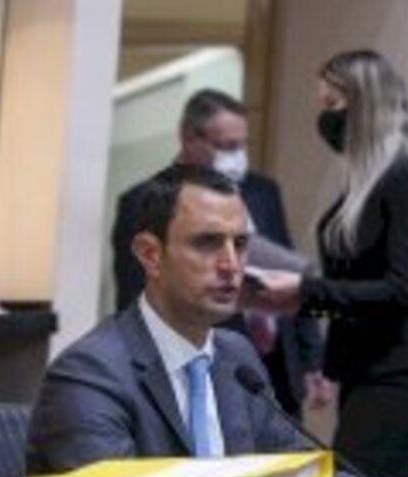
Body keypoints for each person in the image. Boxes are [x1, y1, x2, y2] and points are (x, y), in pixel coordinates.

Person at [27, 166, 408, 477]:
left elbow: (308, 476)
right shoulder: (89, 376)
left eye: (241, 243)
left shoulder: (235, 360)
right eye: (207, 243)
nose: (232, 264)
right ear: (150, 254)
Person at [245, 50, 408, 477]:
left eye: (332, 105)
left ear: (365, 105)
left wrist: (306, 291)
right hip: (369, 371)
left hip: (401, 375)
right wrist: (304, 312)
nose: (325, 118)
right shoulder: (368, 185)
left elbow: (403, 291)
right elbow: (354, 288)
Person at [110, 88, 324, 417]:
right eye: (227, 146)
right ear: (188, 138)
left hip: (276, 371)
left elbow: (290, 274)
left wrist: (312, 360)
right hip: (203, 367)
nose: (237, 155)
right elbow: (135, 295)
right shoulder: (143, 202)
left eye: (243, 144)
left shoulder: (263, 191)